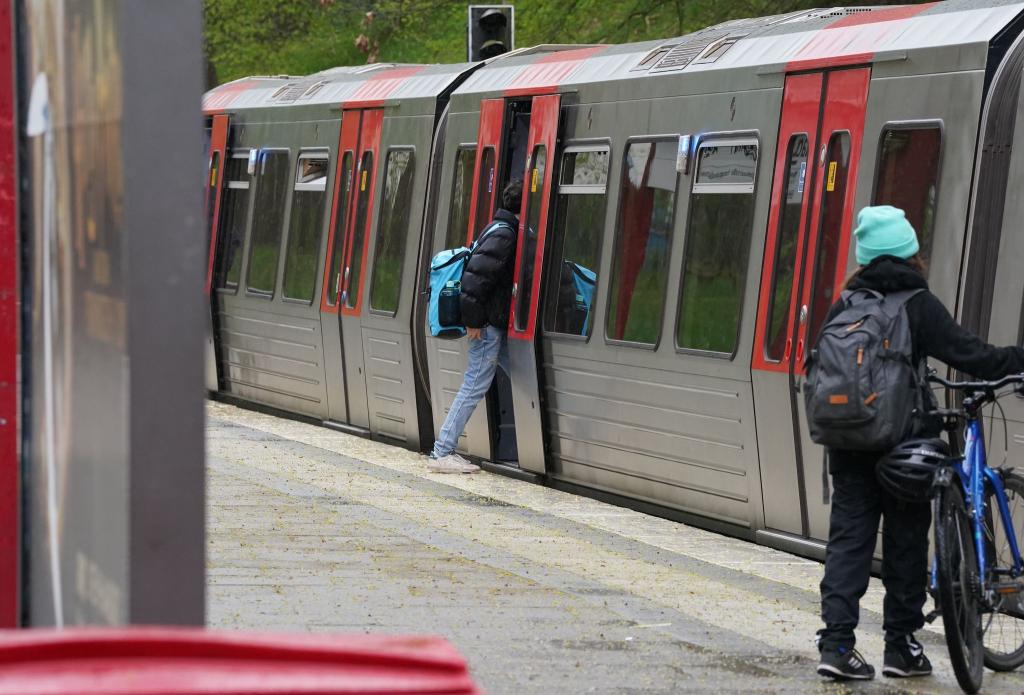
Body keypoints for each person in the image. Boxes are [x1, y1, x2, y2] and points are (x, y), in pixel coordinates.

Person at [816, 205, 1024, 681]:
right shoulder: (916, 303)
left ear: (865, 256)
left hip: (847, 441)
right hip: (903, 443)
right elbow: (974, 355)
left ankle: (836, 646)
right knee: (906, 541)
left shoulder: (845, 304)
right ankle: (901, 648)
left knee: (849, 540)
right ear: (911, 252)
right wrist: (1018, 359)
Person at [427, 179, 522, 473]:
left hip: (491, 324)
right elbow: (474, 281)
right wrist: (474, 322)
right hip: (486, 326)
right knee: (474, 385)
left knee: (524, 372)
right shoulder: (505, 235)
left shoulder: (497, 228)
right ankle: (442, 451)